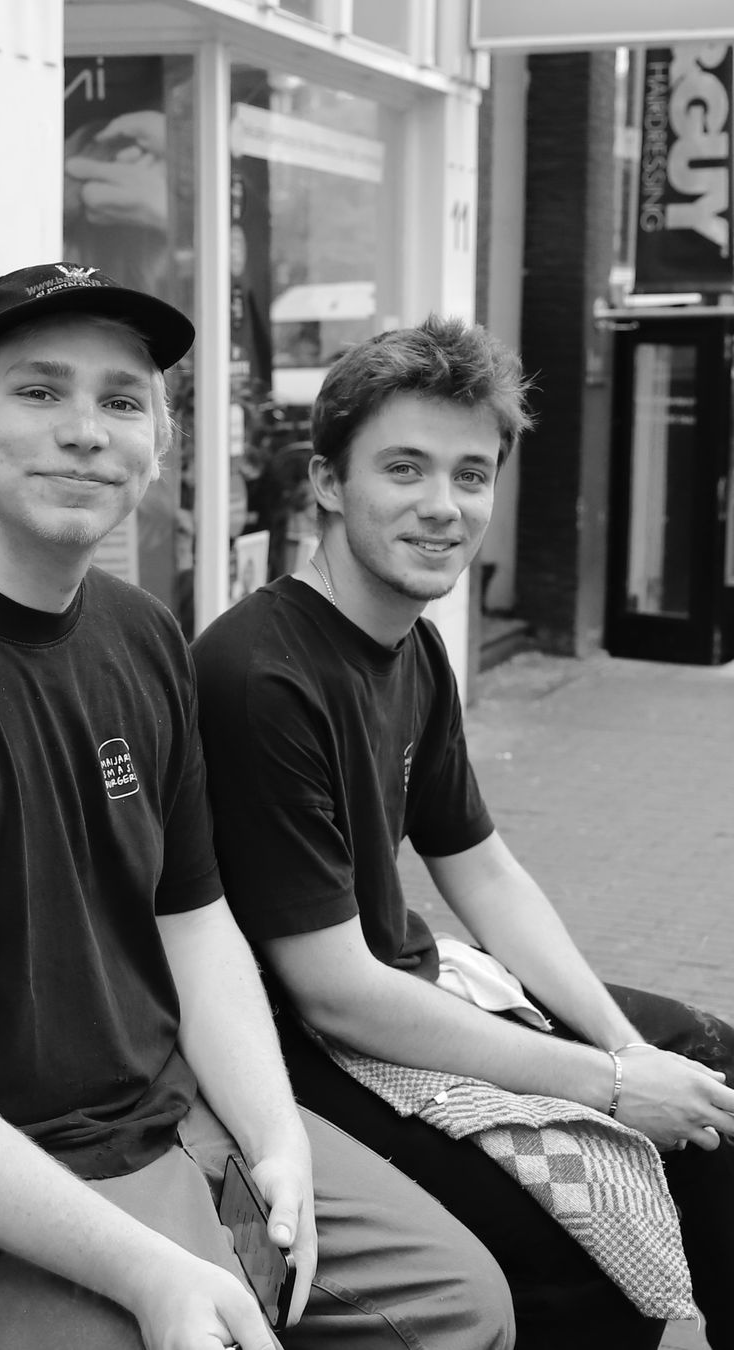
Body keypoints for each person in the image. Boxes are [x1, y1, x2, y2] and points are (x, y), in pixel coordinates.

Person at [0, 268, 514, 1350]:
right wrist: (153, 1272)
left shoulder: (140, 637)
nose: (86, 432)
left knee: (463, 1307)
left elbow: (192, 920)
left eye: (123, 400)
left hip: (156, 1121)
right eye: (39, 393)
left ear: (157, 443)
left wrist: (275, 1132)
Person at [191, 317, 734, 1350]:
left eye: (471, 475)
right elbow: (332, 992)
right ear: (324, 482)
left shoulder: (413, 646)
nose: (444, 507)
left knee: (707, 1073)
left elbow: (481, 867)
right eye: (405, 468)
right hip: (301, 1057)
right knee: (580, 1238)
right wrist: (614, 1087)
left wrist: (622, 1047)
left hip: (411, 990)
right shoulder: (260, 676)